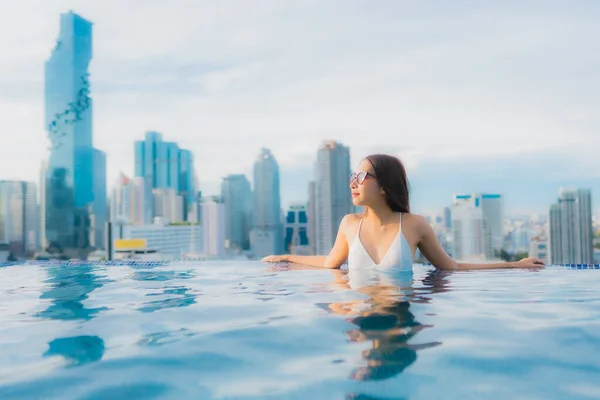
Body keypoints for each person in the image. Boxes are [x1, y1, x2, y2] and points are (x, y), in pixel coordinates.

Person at [262, 154, 544, 280]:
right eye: (353, 176)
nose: (353, 183)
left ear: (384, 185)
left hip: (400, 316)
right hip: (355, 313)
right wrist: (285, 258)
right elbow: (328, 263)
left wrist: (514, 265)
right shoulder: (350, 224)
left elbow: (452, 267)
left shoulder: (413, 225)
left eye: (361, 176)